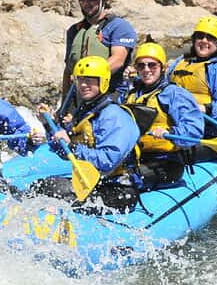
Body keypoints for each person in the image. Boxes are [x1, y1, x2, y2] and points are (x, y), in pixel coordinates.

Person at [37, 55, 142, 211]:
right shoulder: (86, 111)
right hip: (94, 183)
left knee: (57, 192)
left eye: (91, 80)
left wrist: (72, 147)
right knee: (42, 185)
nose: (84, 85)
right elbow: (64, 150)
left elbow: (107, 161)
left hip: (119, 189)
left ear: (103, 81)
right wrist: (47, 124)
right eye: (81, 80)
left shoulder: (114, 116)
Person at [123, 42, 205, 185]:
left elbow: (195, 130)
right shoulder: (131, 94)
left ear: (163, 68)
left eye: (152, 65)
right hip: (136, 159)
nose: (146, 70)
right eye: (141, 65)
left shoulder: (174, 94)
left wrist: (170, 131)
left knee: (122, 181)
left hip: (167, 163)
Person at [61, 0, 137, 107]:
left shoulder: (118, 27)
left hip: (110, 97)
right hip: (80, 98)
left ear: (104, 0)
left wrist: (84, 77)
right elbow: (68, 71)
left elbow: (118, 60)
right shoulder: (74, 31)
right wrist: (64, 105)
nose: (87, 3)